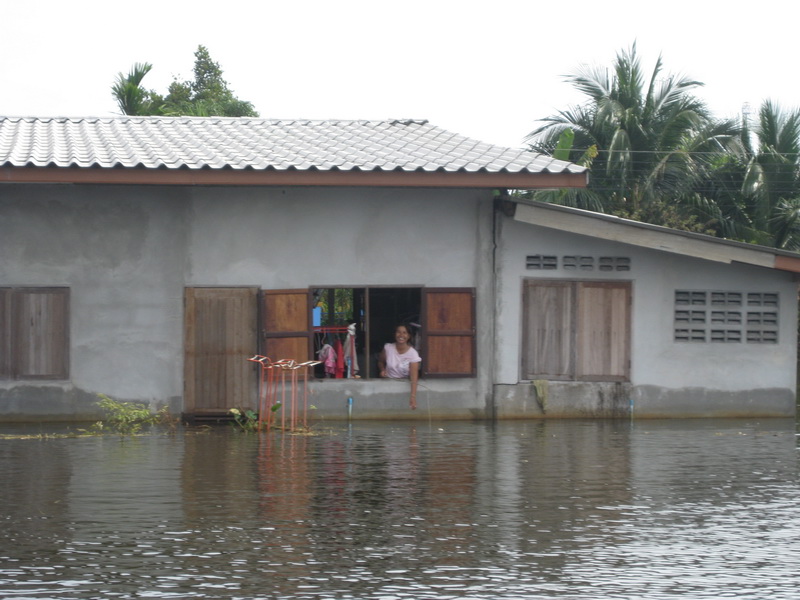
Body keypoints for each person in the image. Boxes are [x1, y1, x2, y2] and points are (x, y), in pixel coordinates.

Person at [377, 324, 421, 410]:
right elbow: (380, 362)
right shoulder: (388, 348)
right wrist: (382, 370)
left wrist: (413, 397)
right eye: (398, 332)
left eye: (404, 333)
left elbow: (414, 377)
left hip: (403, 386)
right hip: (388, 386)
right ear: (395, 334)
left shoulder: (413, 354)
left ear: (408, 336)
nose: (401, 335)